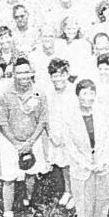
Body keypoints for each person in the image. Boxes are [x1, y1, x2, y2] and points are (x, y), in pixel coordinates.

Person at [0, 58, 50, 217]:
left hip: (33, 139)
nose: (24, 76)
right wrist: (17, 144)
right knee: (9, 179)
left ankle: (28, 201)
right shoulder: (4, 94)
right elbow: (1, 122)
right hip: (11, 142)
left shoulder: (39, 92)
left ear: (32, 72)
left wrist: (30, 142)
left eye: (27, 72)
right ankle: (8, 215)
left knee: (31, 174)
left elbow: (42, 120)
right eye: (20, 72)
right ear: (14, 74)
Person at [71, 79, 109, 217]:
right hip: (82, 168)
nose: (88, 97)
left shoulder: (102, 113)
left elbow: (108, 137)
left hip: (102, 164)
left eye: (91, 93)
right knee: (84, 202)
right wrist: (87, 164)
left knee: (102, 200)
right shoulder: (71, 116)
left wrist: (102, 160)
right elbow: (70, 146)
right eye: (84, 93)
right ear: (78, 95)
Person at [44, 58, 79, 208]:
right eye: (54, 75)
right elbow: (46, 114)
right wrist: (52, 134)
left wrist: (68, 136)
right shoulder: (48, 92)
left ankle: (76, 193)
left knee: (73, 164)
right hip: (55, 134)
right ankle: (67, 190)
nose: (57, 79)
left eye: (61, 75)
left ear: (67, 74)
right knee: (63, 164)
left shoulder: (73, 91)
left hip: (71, 134)